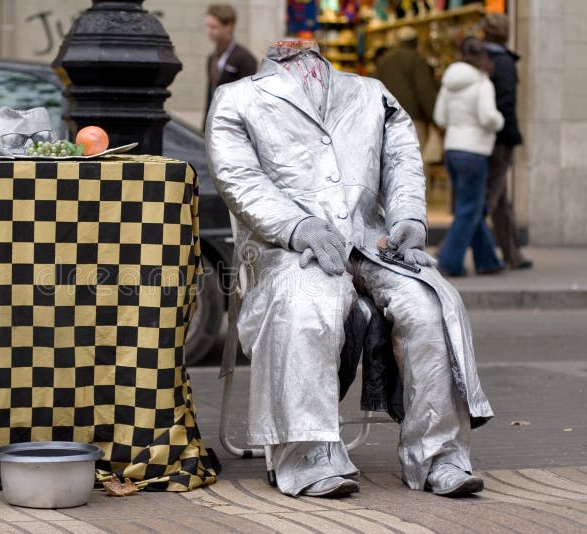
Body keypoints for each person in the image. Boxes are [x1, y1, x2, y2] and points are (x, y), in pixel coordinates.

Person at [206, 40, 493, 498]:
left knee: (431, 305)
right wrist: (296, 226)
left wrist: (408, 219)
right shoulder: (237, 97)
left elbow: (402, 159)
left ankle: (439, 454)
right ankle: (307, 453)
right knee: (306, 306)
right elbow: (238, 177)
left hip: (372, 241)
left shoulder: (370, 92)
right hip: (286, 249)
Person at [434, 38, 505, 277]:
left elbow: (440, 117)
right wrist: (500, 121)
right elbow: (488, 117)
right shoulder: (483, 83)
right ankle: (449, 261)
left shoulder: (449, 82)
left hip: (452, 148)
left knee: (471, 206)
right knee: (468, 209)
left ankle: (488, 260)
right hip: (474, 150)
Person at [481, 13, 532, 270]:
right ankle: (450, 251)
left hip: (483, 136)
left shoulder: (479, 58)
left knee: (500, 200)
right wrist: (511, 135)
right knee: (489, 199)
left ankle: (513, 254)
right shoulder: (503, 62)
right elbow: (507, 103)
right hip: (499, 138)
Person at [375, 26, 437, 152]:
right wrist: (434, 119)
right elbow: (424, 92)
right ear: (416, 41)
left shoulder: (384, 60)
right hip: (412, 119)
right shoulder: (417, 59)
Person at [204, 4, 257, 123]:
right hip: (214, 122)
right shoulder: (211, 58)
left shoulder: (245, 59)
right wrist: (205, 125)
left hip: (234, 124)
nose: (209, 31)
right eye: (208, 26)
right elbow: (210, 96)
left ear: (228, 26)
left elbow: (248, 100)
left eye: (213, 27)